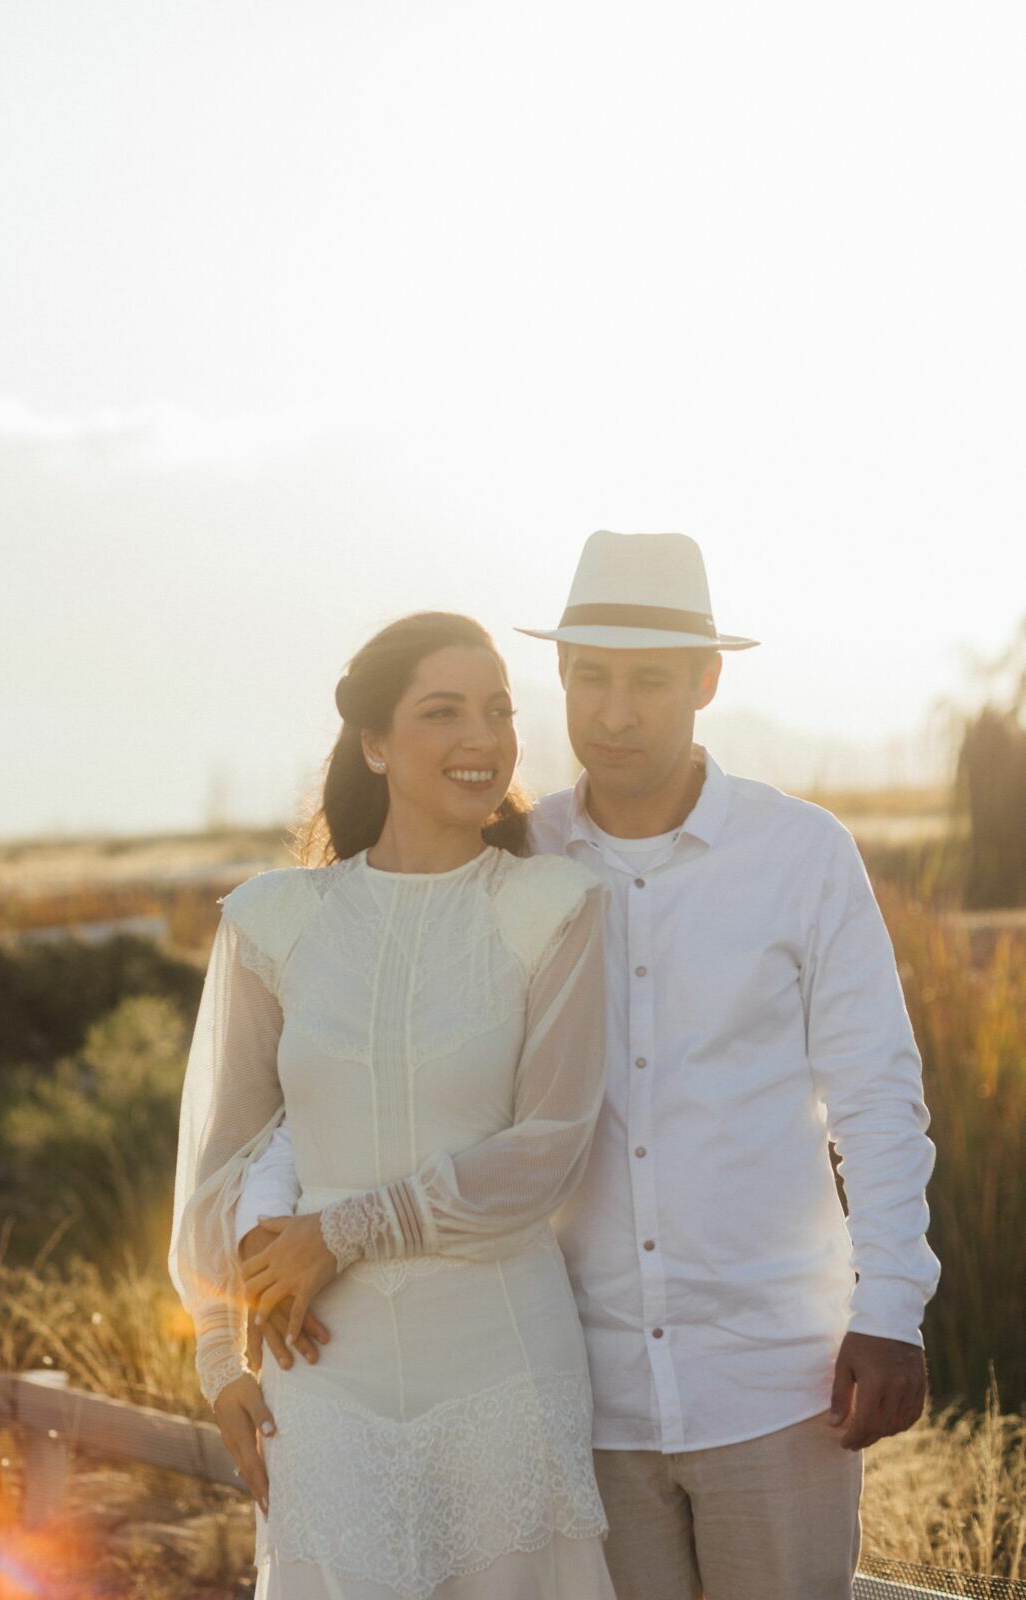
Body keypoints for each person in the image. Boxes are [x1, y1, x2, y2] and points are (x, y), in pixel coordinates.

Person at [241, 533, 940, 1600]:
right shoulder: (510, 860)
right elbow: (361, 1058)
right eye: (591, 677)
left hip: (772, 1380)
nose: (615, 713)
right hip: (576, 1391)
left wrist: (889, 1307)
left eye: (648, 681)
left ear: (704, 682)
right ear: (559, 676)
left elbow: (877, 1097)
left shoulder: (801, 854)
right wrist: (269, 1226)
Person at [167, 610, 617, 1600]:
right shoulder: (274, 919)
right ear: (373, 742)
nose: (481, 737)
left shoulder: (553, 905)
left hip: (500, 1357)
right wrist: (218, 1351)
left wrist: (346, 1228)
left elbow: (547, 1148)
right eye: (442, 711)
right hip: (320, 1371)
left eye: (498, 710)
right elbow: (226, 1152)